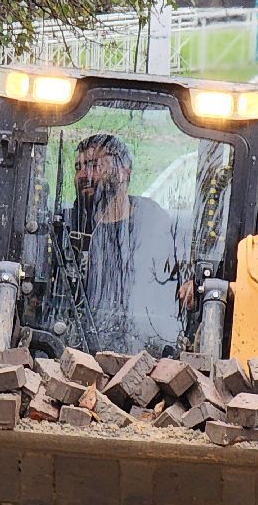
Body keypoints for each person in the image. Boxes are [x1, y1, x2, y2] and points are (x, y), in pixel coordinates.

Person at [68, 133, 185, 353]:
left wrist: (189, 284)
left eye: (94, 165)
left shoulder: (154, 222)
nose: (84, 174)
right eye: (78, 167)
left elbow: (179, 270)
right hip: (78, 349)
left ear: (123, 172)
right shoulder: (67, 227)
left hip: (148, 348)